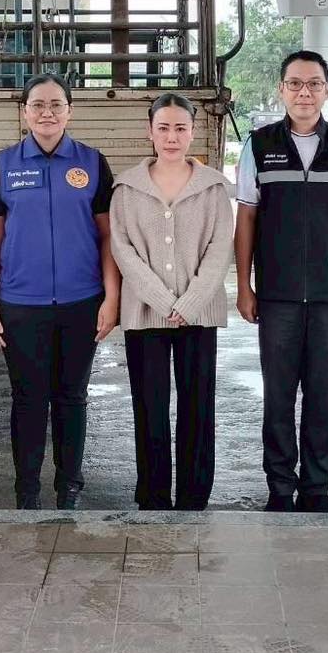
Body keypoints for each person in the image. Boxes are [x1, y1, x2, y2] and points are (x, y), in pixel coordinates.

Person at [235, 49, 328, 513]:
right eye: (295, 83)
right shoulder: (259, 146)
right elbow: (247, 219)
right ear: (281, 89)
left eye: (314, 83)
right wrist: (244, 285)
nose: (304, 91)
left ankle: (315, 489)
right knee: (278, 398)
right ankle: (280, 488)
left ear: (327, 90)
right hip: (276, 297)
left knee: (322, 396)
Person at [0, 74, 121, 510]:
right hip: (21, 303)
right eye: (38, 104)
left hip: (82, 302)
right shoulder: (2, 164)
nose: (47, 112)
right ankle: (26, 490)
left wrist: (111, 298)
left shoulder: (93, 163)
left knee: (71, 396)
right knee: (28, 398)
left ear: (70, 111)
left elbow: (107, 237)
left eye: (56, 104)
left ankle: (69, 487)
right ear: (24, 112)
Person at [110, 92, 234, 510]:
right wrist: (164, 301)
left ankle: (195, 495)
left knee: (197, 405)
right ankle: (154, 495)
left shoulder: (213, 186)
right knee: (150, 406)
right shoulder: (126, 187)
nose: (171, 136)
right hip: (146, 315)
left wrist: (192, 300)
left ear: (192, 131)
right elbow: (122, 248)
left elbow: (221, 248)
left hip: (199, 315)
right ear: (150, 132)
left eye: (180, 127)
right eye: (163, 128)